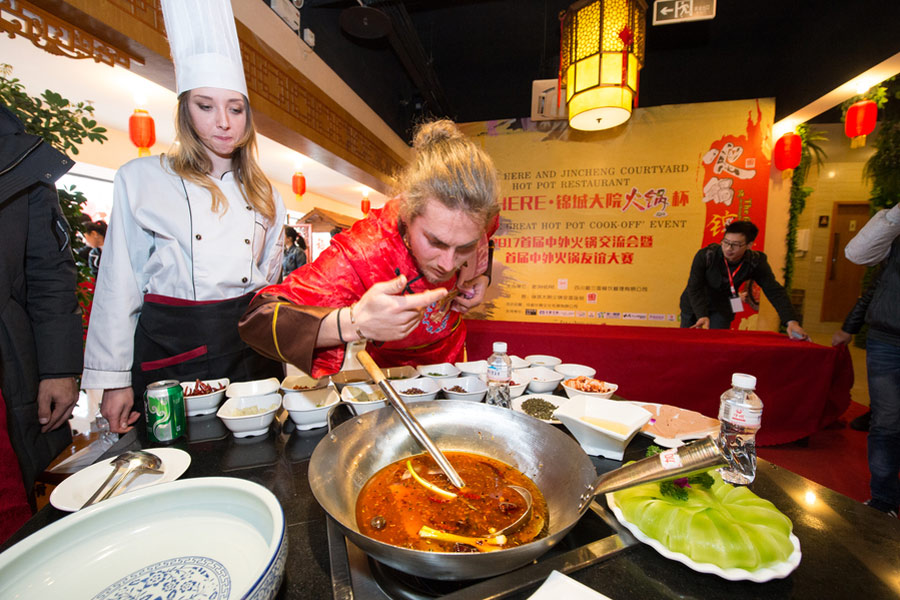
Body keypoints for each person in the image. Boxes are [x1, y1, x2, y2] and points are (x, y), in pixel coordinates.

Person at [82, 0, 285, 434]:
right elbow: (120, 283)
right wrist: (114, 380)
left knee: (258, 452)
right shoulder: (142, 179)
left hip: (249, 352)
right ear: (184, 110)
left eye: (235, 108)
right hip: (171, 350)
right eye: (205, 106)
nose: (223, 123)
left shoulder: (266, 192)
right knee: (175, 455)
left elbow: (268, 282)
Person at [239, 119, 498, 377]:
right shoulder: (364, 251)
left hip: (451, 364)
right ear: (407, 212)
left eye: (464, 247)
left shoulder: (472, 218)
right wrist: (353, 322)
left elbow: (488, 236)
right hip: (390, 376)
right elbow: (258, 321)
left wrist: (482, 276)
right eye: (435, 242)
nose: (448, 264)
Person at [0, 103, 82, 541]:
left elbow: (49, 273)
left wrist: (59, 368)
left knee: (21, 515)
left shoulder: (17, 155)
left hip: (11, 365)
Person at [845, 202, 900, 518]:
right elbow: (857, 254)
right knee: (886, 421)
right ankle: (883, 499)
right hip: (888, 338)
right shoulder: (895, 225)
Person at [679, 220, 808, 339]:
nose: (728, 248)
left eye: (735, 245)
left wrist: (792, 321)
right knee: (688, 341)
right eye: (726, 242)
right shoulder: (706, 255)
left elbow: (774, 290)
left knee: (717, 343)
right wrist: (702, 315)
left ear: (749, 245)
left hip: (722, 306)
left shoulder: (755, 261)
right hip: (695, 303)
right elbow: (694, 287)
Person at [832, 269, 881, 432]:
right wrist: (848, 329)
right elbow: (870, 294)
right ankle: (876, 413)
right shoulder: (891, 257)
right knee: (883, 383)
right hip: (887, 334)